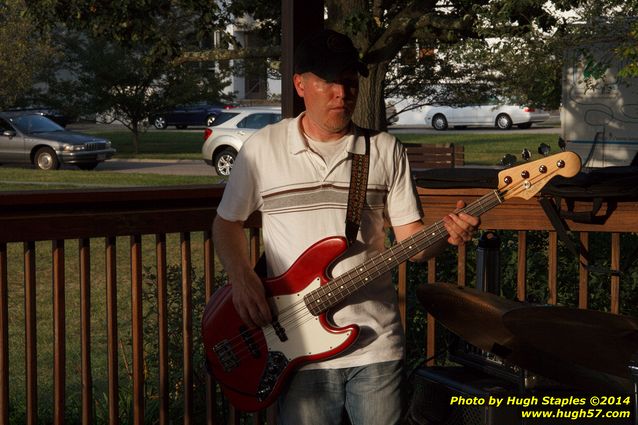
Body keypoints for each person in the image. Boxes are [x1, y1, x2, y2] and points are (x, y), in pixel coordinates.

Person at [212, 29, 479, 425]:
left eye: (350, 82)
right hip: (296, 344)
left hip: (375, 344)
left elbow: (413, 243)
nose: (343, 93)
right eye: (330, 82)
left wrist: (447, 236)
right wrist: (242, 277)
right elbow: (226, 223)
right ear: (300, 84)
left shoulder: (385, 150)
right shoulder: (263, 149)